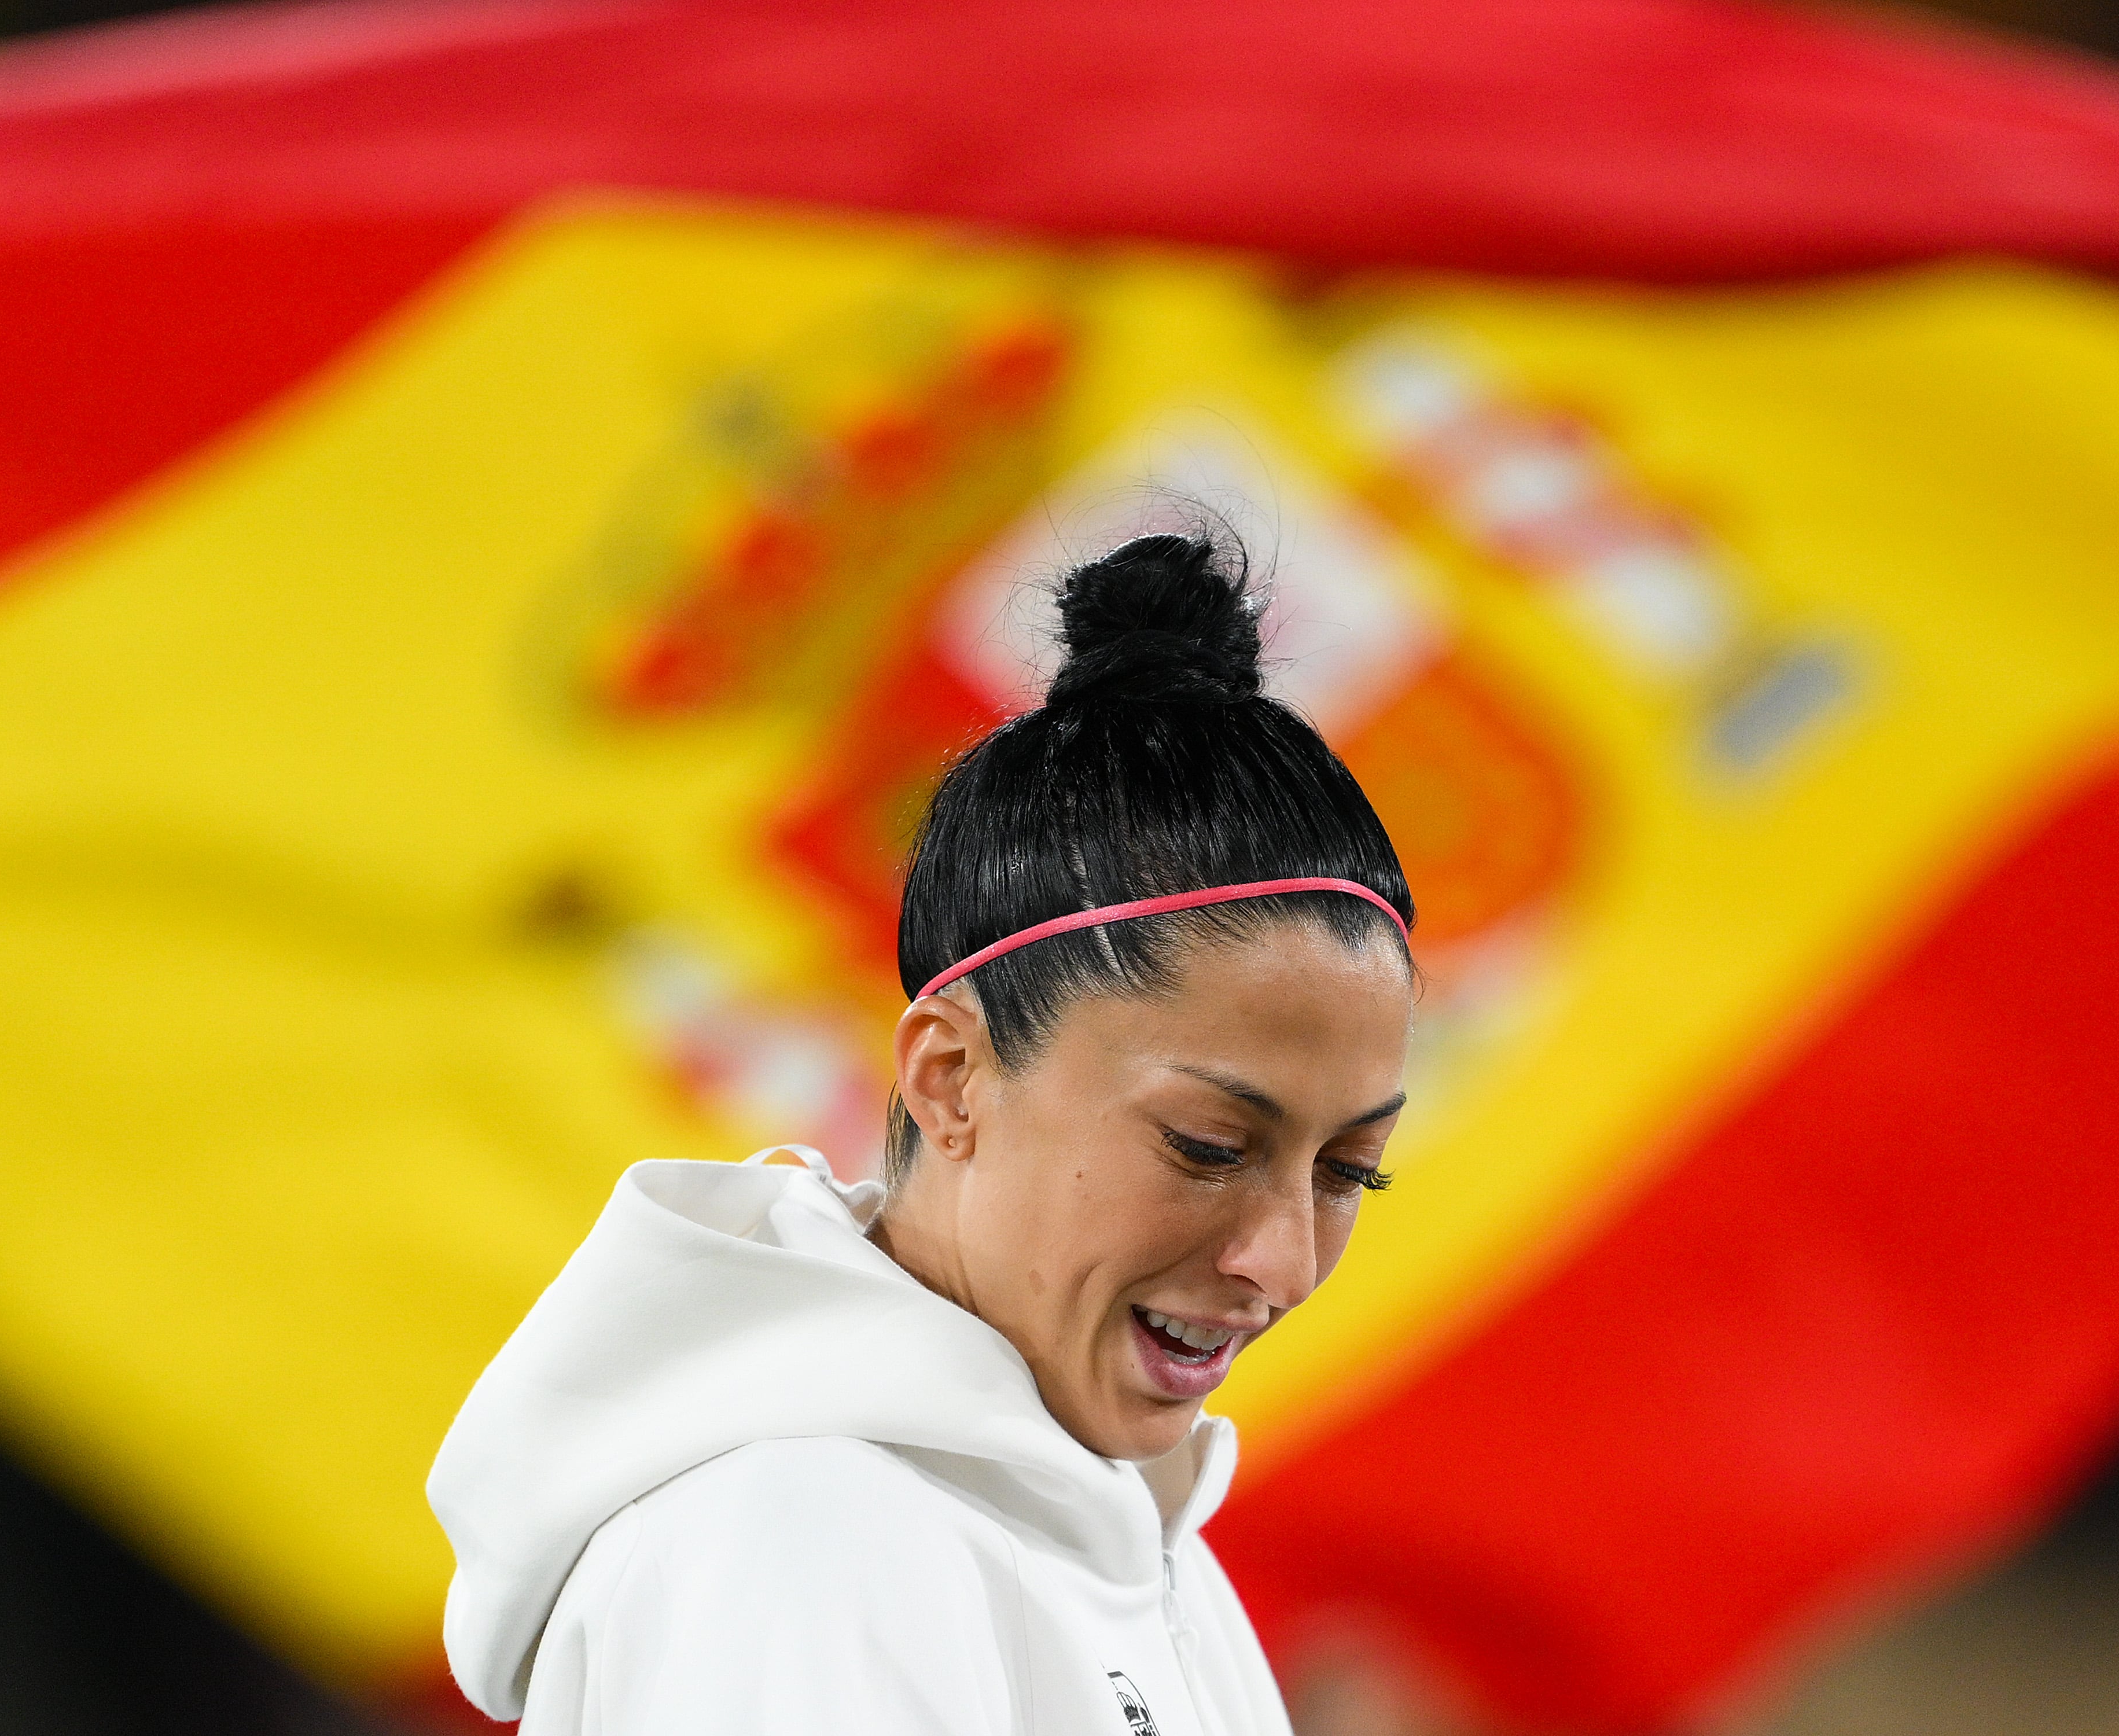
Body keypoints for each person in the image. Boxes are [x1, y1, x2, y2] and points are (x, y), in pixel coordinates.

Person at [429, 530, 1418, 1734]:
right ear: (951, 1078)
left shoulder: (1138, 1546)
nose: (1286, 1261)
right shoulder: (800, 1542)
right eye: (1209, 1146)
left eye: (1349, 1170)